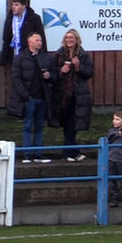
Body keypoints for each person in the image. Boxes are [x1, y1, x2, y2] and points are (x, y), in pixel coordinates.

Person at [48, 29, 93, 162]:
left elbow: (89, 73)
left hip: (78, 95)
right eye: (67, 37)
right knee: (67, 124)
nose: (69, 40)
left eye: (72, 38)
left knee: (73, 125)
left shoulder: (83, 55)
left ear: (76, 39)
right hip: (62, 95)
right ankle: (71, 152)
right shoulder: (59, 54)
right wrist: (61, 70)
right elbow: (52, 74)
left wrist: (78, 67)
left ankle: (70, 152)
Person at [9, 32, 55, 164]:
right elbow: (16, 78)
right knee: (28, 125)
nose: (39, 42)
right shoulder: (20, 58)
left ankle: (38, 153)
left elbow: (55, 76)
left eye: (40, 40)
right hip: (29, 98)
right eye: (37, 40)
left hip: (42, 98)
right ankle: (27, 154)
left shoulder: (46, 58)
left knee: (40, 126)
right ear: (30, 42)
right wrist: (25, 96)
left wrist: (49, 76)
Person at [0, 0, 46, 66]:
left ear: (24, 6)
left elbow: (41, 37)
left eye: (16, 5)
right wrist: (3, 59)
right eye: (13, 4)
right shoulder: (9, 19)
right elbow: (6, 40)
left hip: (30, 56)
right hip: (14, 55)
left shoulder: (33, 18)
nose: (13, 7)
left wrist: (43, 57)